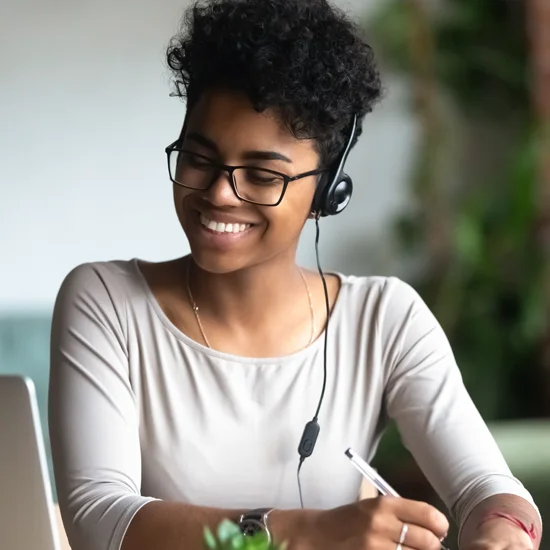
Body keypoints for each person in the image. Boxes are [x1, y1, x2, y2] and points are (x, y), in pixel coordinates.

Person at [48, 1, 542, 549]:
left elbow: (488, 487)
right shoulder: (105, 302)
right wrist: (305, 532)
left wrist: (503, 531)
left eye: (262, 175)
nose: (218, 192)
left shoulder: (384, 320)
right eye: (199, 158)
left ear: (328, 192)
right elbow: (99, 520)